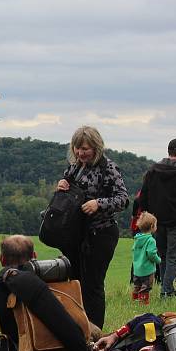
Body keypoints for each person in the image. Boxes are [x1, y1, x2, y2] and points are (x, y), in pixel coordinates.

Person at [56, 125, 128, 328]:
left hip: (101, 233)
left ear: (96, 147)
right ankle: (77, 326)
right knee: (75, 282)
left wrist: (99, 203)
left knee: (92, 286)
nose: (80, 153)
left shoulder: (108, 168)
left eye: (85, 149)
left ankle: (95, 333)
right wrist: (62, 185)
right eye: (77, 148)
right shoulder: (75, 167)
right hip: (76, 233)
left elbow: (123, 199)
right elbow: (67, 196)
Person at [139, 138, 176, 297]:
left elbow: (143, 196)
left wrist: (148, 215)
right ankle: (166, 290)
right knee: (173, 257)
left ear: (168, 150)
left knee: (163, 256)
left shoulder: (153, 171)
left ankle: (166, 288)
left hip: (157, 221)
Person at [132, 212, 160, 304]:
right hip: (147, 270)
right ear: (152, 226)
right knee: (145, 287)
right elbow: (151, 253)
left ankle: (135, 301)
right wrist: (158, 260)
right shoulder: (151, 240)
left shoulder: (137, 239)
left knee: (137, 286)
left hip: (137, 269)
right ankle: (143, 303)